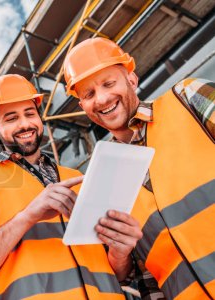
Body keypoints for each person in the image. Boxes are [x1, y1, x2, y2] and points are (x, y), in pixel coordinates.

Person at [0, 74, 144, 299]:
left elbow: (121, 276)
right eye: (11, 118)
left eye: (30, 114)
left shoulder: (77, 177)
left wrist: (121, 254)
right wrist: (29, 215)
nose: (25, 124)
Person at [63, 37, 215, 299]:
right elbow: (137, 279)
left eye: (109, 83)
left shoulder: (188, 98)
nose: (102, 98)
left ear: (131, 80)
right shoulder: (103, 178)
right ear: (83, 107)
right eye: (88, 94)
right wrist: (119, 257)